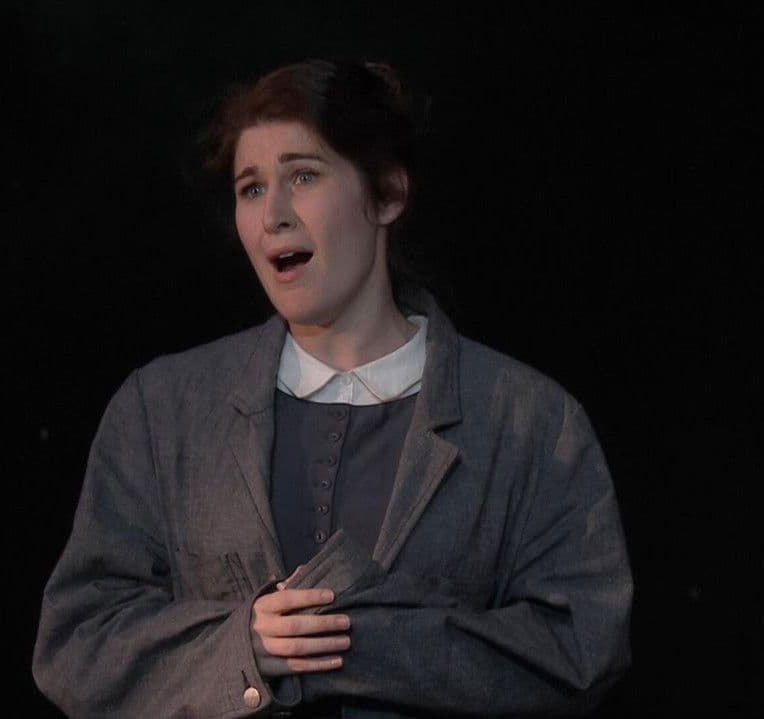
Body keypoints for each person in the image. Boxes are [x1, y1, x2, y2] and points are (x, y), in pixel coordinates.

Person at [32, 58, 632, 718]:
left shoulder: (530, 421)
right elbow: (79, 645)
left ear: (388, 195)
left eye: (304, 176)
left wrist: (359, 641)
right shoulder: (163, 410)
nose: (272, 215)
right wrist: (245, 647)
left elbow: (580, 650)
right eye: (251, 188)